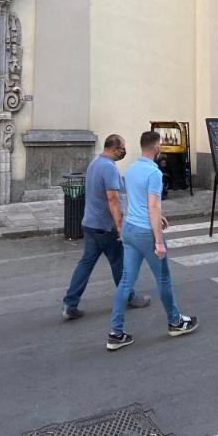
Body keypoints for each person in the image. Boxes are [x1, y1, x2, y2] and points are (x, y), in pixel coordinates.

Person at [107, 130, 197, 351]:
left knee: (126, 281)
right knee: (163, 279)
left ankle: (115, 333)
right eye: (161, 147)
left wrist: (157, 219)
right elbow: (153, 206)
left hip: (129, 228)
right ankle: (175, 322)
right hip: (146, 232)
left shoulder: (131, 169)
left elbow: (136, 201)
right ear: (156, 148)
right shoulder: (154, 173)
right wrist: (158, 240)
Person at [62, 135, 151, 320]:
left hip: (90, 224)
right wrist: (119, 226)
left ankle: (70, 303)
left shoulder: (94, 164)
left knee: (85, 264)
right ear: (115, 148)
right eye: (122, 148)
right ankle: (130, 297)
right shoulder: (109, 167)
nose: (123, 152)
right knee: (119, 262)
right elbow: (113, 198)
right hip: (105, 226)